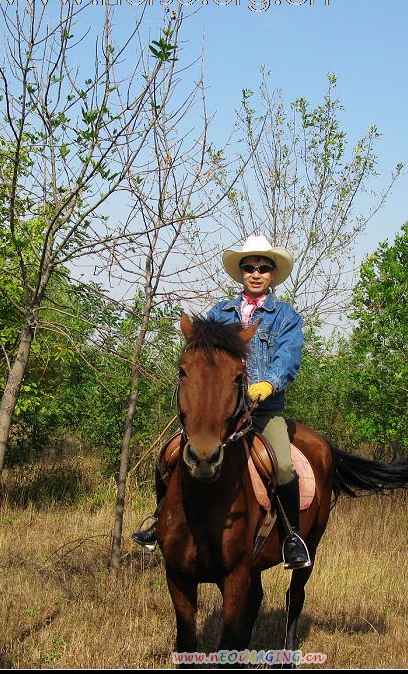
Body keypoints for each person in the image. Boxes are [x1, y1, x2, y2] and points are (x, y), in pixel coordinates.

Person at [132, 235, 311, 569]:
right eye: (249, 267)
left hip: (262, 412)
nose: (256, 273)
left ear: (272, 274)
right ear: (241, 272)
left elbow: (288, 358)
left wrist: (268, 384)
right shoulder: (219, 312)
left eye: (263, 267)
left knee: (283, 465)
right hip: (220, 412)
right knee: (170, 453)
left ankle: (292, 538)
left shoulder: (286, 317)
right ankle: (160, 521)